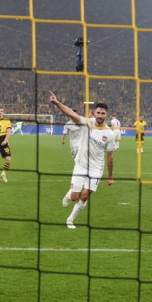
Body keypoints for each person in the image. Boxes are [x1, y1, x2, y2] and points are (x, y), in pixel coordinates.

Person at [49, 91, 117, 230]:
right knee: (75, 197)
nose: (100, 116)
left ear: (106, 115)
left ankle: (70, 219)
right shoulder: (87, 123)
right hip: (81, 164)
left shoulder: (109, 134)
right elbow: (71, 114)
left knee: (85, 196)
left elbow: (110, 156)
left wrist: (110, 176)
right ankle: (70, 193)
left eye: (103, 113)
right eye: (98, 113)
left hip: (96, 169)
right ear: (94, 112)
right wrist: (57, 103)